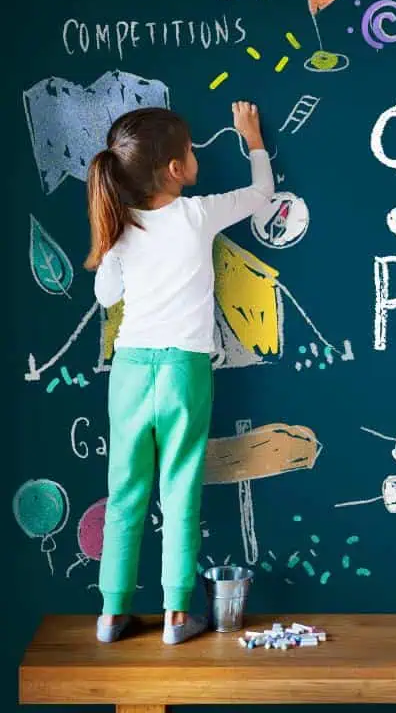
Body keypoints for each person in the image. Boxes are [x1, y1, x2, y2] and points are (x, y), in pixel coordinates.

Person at [85, 102, 273, 644]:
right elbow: (261, 194)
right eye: (190, 151)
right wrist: (252, 138)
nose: (196, 158)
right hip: (183, 371)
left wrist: (112, 250)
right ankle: (174, 616)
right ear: (174, 170)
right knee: (180, 488)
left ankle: (111, 614)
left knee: (125, 493)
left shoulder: (120, 229)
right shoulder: (195, 215)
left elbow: (106, 295)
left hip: (130, 370)